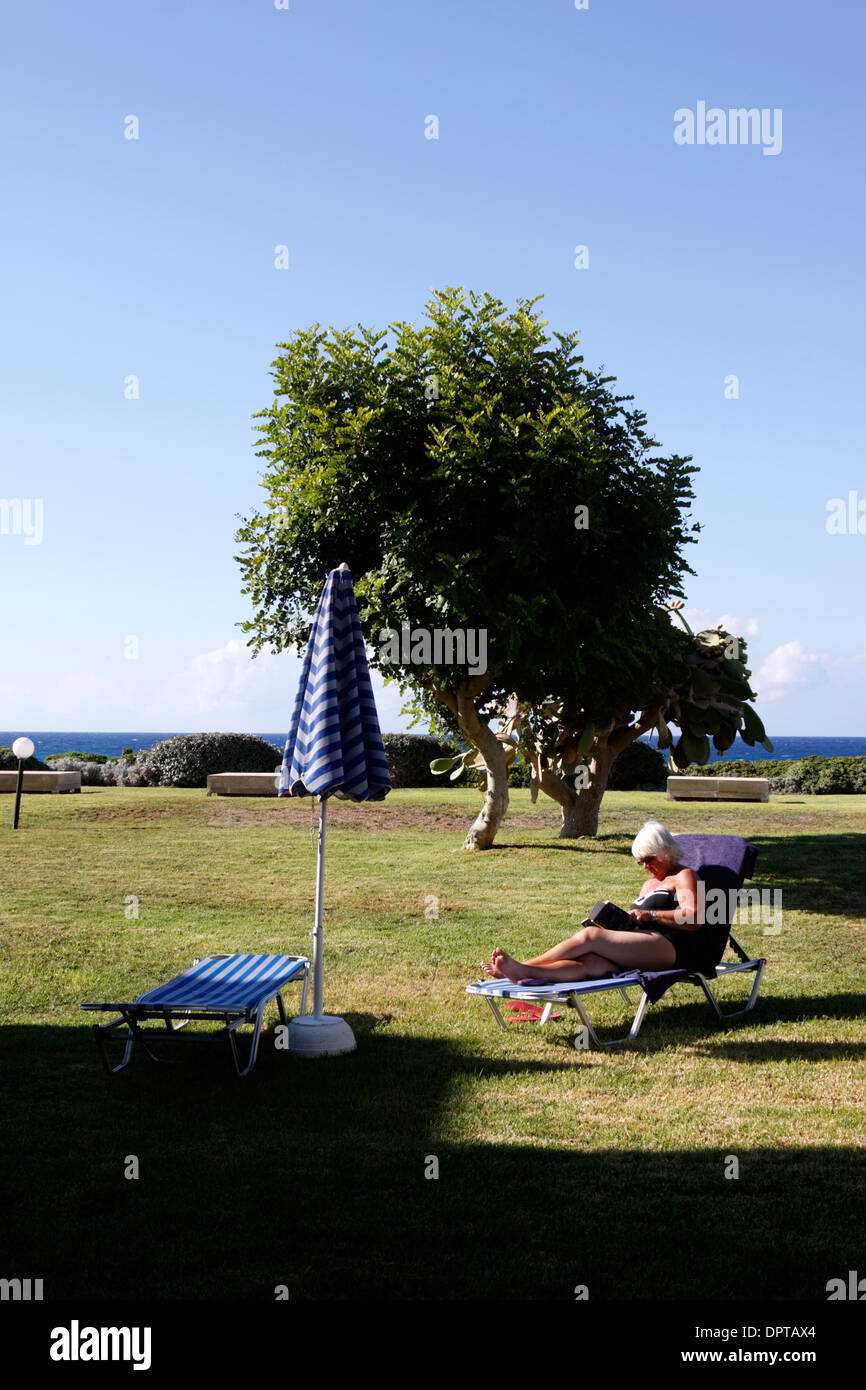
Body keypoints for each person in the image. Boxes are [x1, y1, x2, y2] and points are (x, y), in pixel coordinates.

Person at [481, 820, 725, 984]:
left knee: (591, 938)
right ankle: (524, 974)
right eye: (641, 862)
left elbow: (694, 917)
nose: (646, 867)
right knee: (591, 962)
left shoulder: (684, 876)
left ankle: (522, 966)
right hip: (645, 944)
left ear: (666, 851)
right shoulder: (649, 885)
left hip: (673, 947)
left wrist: (650, 915)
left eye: (649, 859)